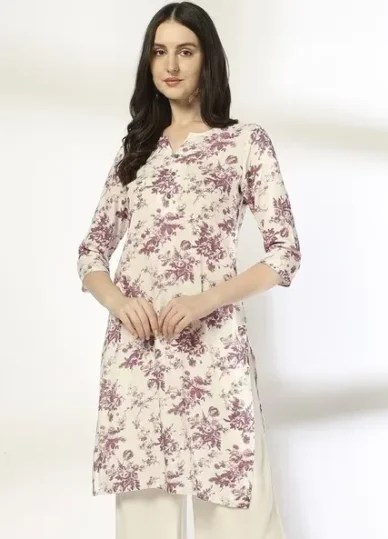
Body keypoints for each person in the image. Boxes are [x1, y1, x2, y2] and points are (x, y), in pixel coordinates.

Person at [77, 2, 301, 538]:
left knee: (239, 517)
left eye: (185, 51)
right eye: (160, 52)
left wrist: (205, 300)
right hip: (139, 356)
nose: (171, 65)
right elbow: (91, 253)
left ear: (208, 59)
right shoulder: (136, 151)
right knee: (145, 524)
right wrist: (118, 302)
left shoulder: (244, 143)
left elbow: (284, 253)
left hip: (212, 355)